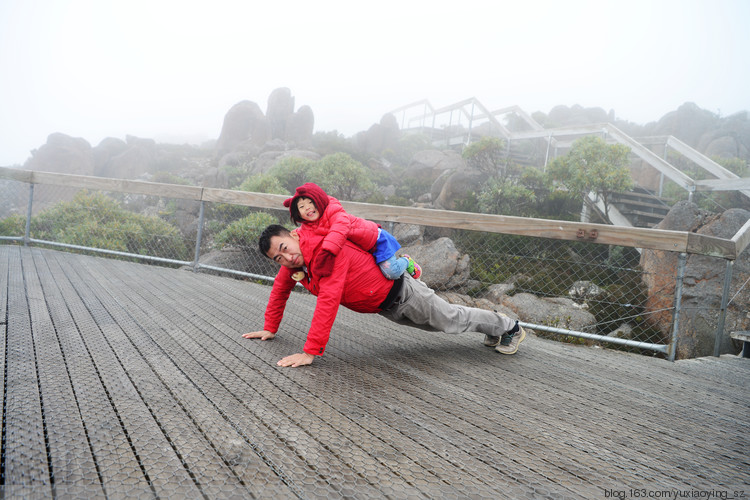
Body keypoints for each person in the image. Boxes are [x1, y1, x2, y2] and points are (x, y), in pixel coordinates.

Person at [242, 224, 525, 367]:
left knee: (451, 319)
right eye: (278, 258)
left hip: (404, 294)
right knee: (445, 324)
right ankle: (494, 328)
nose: (286, 257)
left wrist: (309, 351)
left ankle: (510, 327)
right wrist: (269, 327)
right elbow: (280, 291)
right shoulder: (298, 264)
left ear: (294, 234)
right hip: (387, 307)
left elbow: (327, 302)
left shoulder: (327, 252)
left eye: (285, 247)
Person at [282, 182, 421, 280]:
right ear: (298, 213)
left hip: (376, 240)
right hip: (362, 247)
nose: (307, 207)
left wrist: (327, 251)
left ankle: (406, 261)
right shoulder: (310, 224)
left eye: (311, 202)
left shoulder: (334, 211)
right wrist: (295, 236)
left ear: (319, 200)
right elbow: (306, 235)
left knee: (391, 273)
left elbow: (339, 229)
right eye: (301, 206)